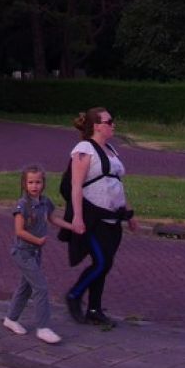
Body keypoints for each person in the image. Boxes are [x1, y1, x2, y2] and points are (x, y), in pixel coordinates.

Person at [65, 106, 137, 327]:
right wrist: (77, 217)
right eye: (109, 122)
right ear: (96, 126)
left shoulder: (111, 150)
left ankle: (94, 309)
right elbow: (76, 185)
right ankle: (74, 295)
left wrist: (129, 213)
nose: (113, 125)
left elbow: (117, 184)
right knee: (101, 262)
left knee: (105, 265)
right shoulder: (84, 149)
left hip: (113, 218)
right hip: (93, 219)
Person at [2, 165, 74, 345]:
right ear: (24, 184)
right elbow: (19, 231)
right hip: (23, 252)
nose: (34, 186)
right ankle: (43, 327)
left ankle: (11, 318)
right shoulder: (22, 205)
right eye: (31, 182)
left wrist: (72, 227)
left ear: (43, 183)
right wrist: (37, 240)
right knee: (41, 287)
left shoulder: (45, 202)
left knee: (25, 287)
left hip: (35, 253)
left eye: (38, 182)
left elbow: (52, 218)